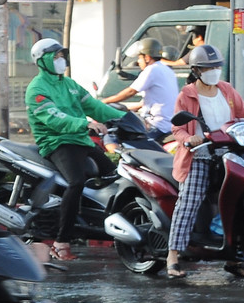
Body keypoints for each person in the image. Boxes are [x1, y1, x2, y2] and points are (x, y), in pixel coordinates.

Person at [166, 43, 244, 280]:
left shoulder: (226, 89)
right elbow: (177, 128)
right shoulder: (187, 95)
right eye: (207, 68)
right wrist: (188, 139)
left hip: (230, 153)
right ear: (196, 70)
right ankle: (173, 256)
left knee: (238, 202)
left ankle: (233, 259)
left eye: (216, 67)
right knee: (189, 201)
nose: (213, 71)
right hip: (200, 155)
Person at [24, 38, 125, 262]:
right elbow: (55, 118)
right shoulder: (36, 89)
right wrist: (85, 124)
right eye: (55, 56)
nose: (60, 60)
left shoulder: (70, 84)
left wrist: (127, 118)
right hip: (57, 142)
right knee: (76, 182)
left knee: (115, 175)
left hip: (81, 141)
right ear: (42, 61)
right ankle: (61, 242)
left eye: (62, 56)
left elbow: (95, 107)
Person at [100, 37, 178, 139]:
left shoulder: (151, 70)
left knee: (115, 138)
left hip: (156, 125)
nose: (138, 61)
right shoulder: (167, 70)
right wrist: (126, 110)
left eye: (139, 58)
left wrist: (104, 102)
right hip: (168, 125)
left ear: (147, 58)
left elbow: (130, 92)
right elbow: (150, 101)